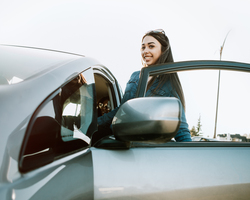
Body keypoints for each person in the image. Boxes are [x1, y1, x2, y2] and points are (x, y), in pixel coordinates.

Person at [97, 29, 192, 142]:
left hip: (146, 147)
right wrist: (92, 123)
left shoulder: (168, 84)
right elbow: (121, 111)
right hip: (120, 141)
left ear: (163, 50)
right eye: (143, 47)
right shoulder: (135, 76)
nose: (145, 51)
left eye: (151, 46)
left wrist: (189, 151)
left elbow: (181, 129)